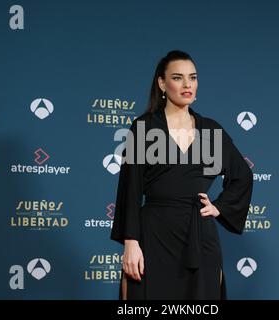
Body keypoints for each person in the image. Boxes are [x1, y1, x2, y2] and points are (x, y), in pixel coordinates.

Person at [110, 50, 254, 300]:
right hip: (154, 237)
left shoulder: (210, 130)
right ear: (162, 83)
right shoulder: (145, 127)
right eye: (178, 77)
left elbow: (242, 176)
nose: (188, 84)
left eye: (193, 77)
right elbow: (130, 188)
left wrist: (219, 207)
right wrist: (131, 242)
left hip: (200, 238)